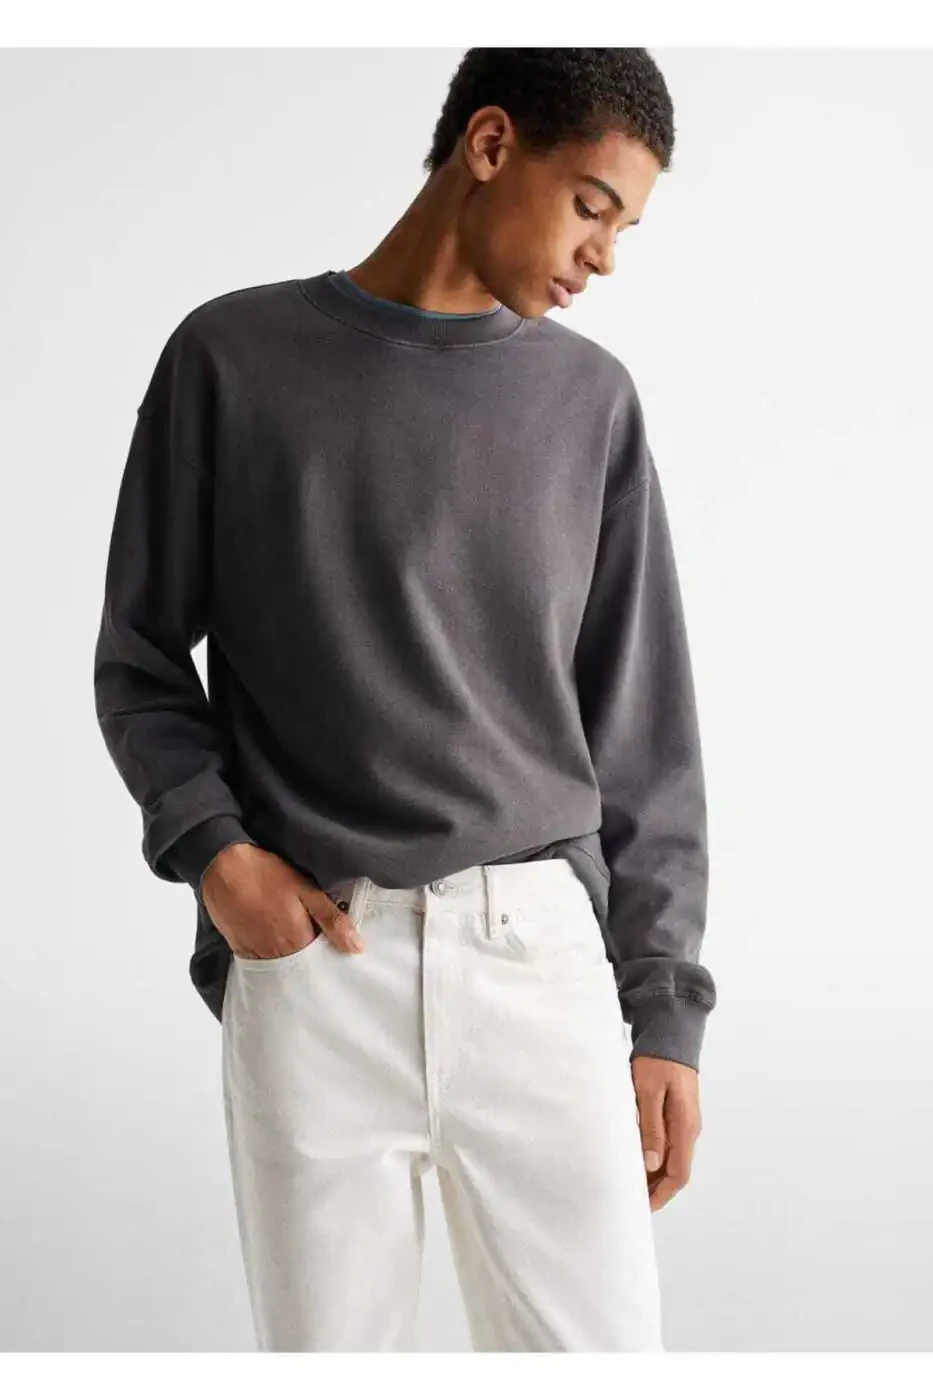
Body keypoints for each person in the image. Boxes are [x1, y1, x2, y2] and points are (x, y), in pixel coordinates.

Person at [93, 47, 717, 1352]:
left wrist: (664, 1010)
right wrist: (218, 858)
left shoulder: (588, 404)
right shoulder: (231, 360)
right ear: (490, 146)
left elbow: (643, 733)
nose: (604, 257)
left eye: (626, 229)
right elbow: (140, 659)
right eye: (592, 205)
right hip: (317, 969)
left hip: (537, 962)